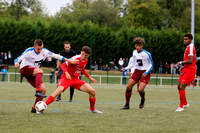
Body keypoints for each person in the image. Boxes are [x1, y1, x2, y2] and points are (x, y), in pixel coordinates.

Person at [14, 39, 76, 113]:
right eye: (38, 49)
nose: (40, 50)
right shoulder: (29, 51)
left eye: (41, 48)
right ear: (34, 46)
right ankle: (37, 91)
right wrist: (17, 63)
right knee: (39, 71)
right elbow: (18, 58)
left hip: (33, 73)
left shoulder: (45, 51)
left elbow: (57, 56)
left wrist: (69, 60)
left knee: (43, 90)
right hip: (24, 69)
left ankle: (34, 108)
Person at [41, 46, 103, 114]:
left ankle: (92, 109)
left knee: (92, 91)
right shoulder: (75, 58)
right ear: (81, 52)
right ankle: (43, 105)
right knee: (59, 91)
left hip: (75, 79)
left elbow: (82, 69)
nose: (84, 57)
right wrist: (66, 73)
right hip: (66, 78)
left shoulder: (85, 60)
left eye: (86, 56)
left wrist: (90, 78)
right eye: (83, 55)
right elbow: (63, 65)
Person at [121, 37, 153, 109]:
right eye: (136, 45)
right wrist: (125, 68)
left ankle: (142, 99)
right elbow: (133, 64)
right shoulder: (134, 52)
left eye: (139, 45)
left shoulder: (147, 54)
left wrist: (147, 72)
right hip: (137, 71)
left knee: (140, 90)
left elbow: (151, 64)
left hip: (145, 73)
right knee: (128, 87)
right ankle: (127, 105)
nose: (137, 47)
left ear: (142, 45)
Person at [175, 33, 196, 112]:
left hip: (190, 71)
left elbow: (190, 61)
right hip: (186, 69)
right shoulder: (188, 47)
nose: (184, 40)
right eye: (184, 39)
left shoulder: (191, 47)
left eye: (186, 39)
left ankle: (181, 106)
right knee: (179, 86)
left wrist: (181, 62)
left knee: (182, 86)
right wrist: (183, 67)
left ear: (191, 40)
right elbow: (194, 59)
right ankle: (185, 103)